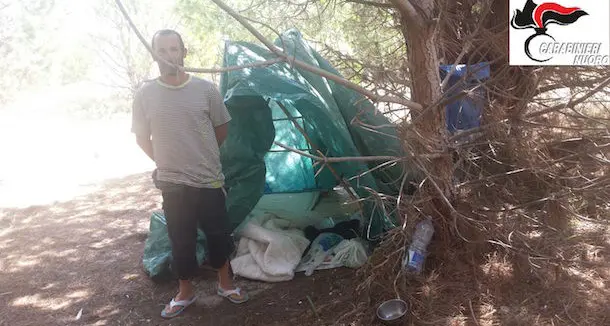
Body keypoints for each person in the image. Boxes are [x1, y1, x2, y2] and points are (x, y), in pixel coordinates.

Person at [131, 29, 248, 319]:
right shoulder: (145, 94)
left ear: (184, 52)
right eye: (163, 50)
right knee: (180, 238)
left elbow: (221, 129)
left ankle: (225, 284)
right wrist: (166, 160)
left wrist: (201, 156)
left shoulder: (206, 90)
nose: (169, 55)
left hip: (208, 178)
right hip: (172, 182)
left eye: (174, 49)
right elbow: (142, 137)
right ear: (154, 54)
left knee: (218, 233)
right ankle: (185, 292)